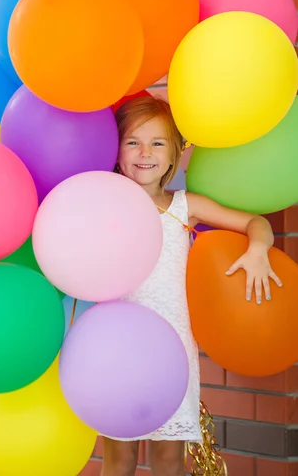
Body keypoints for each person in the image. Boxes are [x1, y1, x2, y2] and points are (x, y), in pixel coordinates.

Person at [101, 96, 281, 476]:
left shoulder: (185, 207)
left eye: (158, 143)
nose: (145, 152)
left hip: (173, 349)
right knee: (119, 459)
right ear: (116, 151)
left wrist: (259, 250)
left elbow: (255, 223)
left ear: (175, 156)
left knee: (169, 457)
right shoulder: (103, 202)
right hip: (117, 346)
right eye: (133, 141)